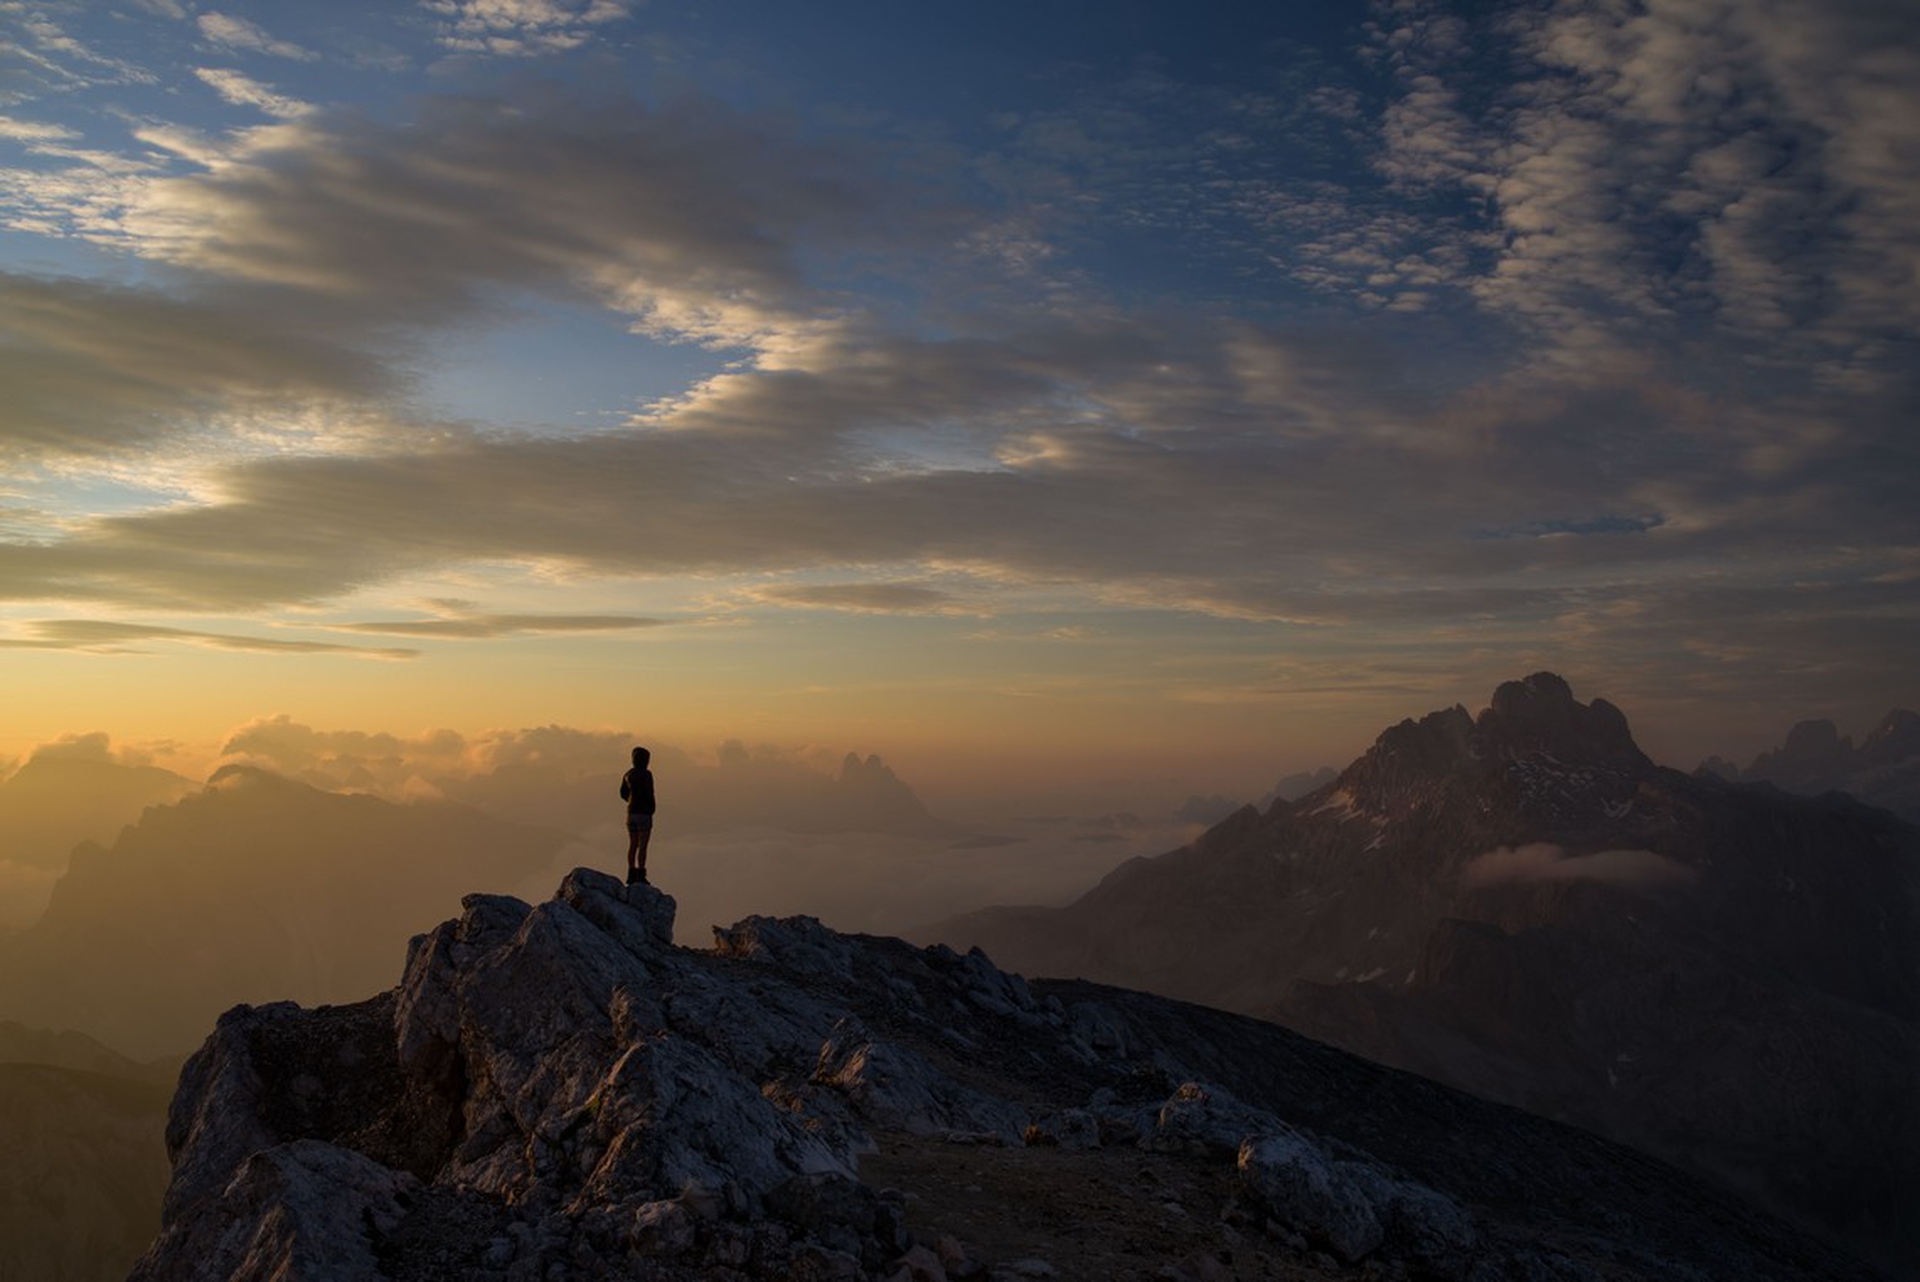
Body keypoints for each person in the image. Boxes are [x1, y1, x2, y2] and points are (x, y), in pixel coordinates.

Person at [619, 746, 656, 885]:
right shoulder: (647, 774)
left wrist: (630, 801)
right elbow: (649, 793)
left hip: (631, 813)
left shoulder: (628, 774)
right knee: (643, 845)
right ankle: (641, 874)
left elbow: (622, 793)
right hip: (644, 813)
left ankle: (631, 873)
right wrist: (651, 809)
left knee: (633, 844)